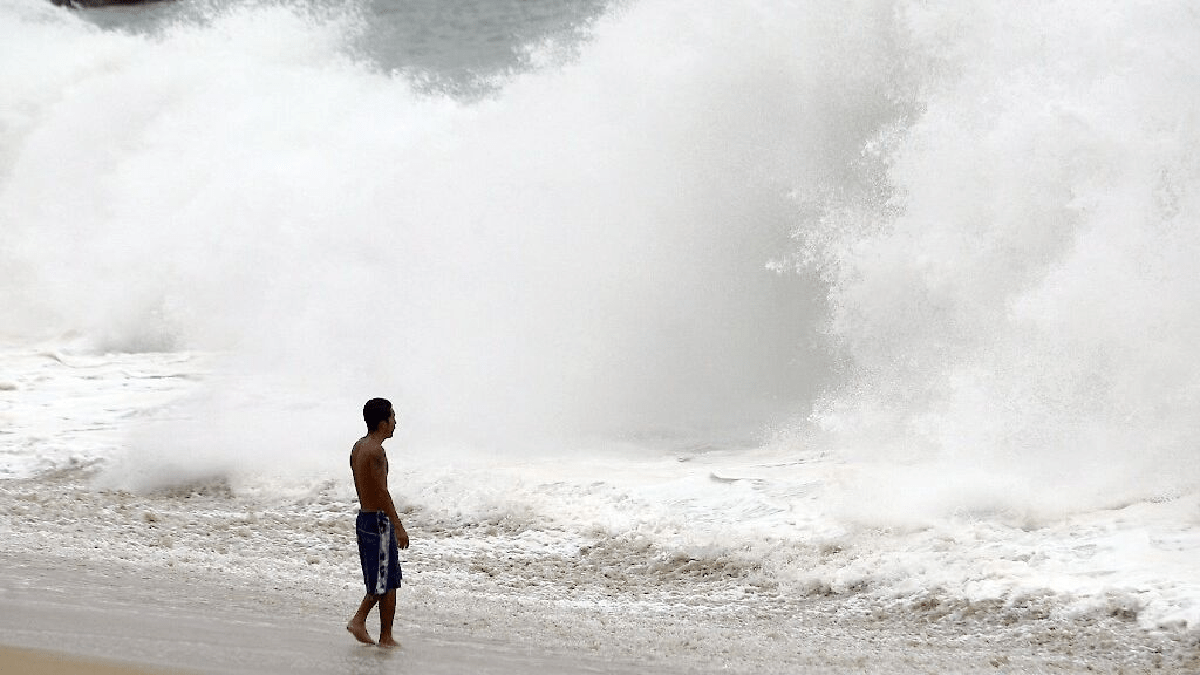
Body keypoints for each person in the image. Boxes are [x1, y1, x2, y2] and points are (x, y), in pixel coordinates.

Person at [346, 397, 410, 647]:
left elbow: (362, 487)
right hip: (378, 521)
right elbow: (382, 492)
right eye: (393, 417)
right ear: (383, 423)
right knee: (383, 578)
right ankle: (359, 619)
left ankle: (386, 637)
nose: (395, 422)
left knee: (390, 578)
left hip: (364, 517)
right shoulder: (376, 451)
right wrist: (398, 526)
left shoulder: (359, 446)